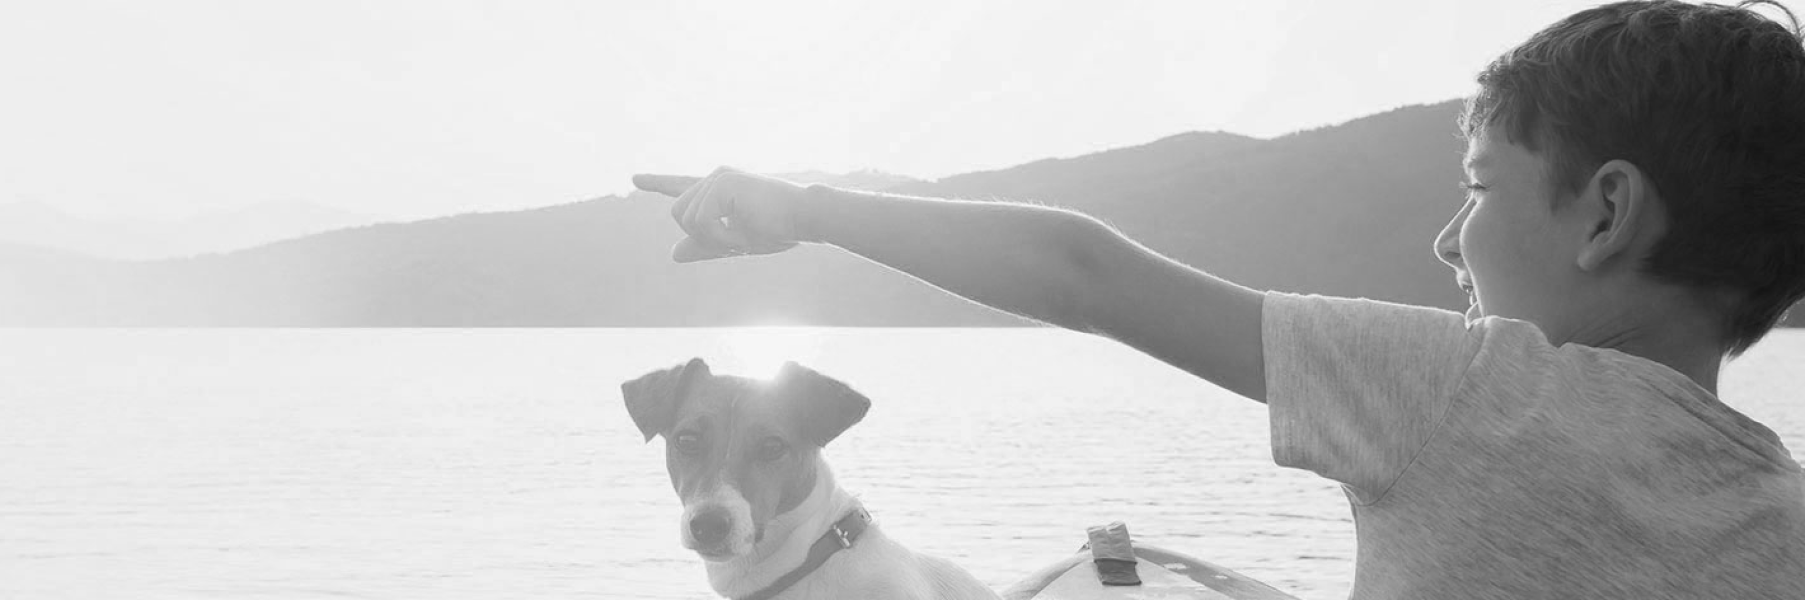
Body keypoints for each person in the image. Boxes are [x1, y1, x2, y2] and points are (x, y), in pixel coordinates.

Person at [633, 1, 1805, 597]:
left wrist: (811, 210)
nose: (1451, 239)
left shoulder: (1460, 391)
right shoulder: (1783, 522)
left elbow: (1081, 274)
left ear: (1605, 214)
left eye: (1479, 189)